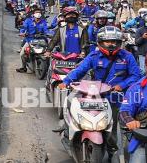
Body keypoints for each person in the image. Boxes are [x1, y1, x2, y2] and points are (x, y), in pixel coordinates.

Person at [59, 26, 142, 158]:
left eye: (115, 41)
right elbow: (80, 70)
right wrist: (67, 81)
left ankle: (115, 152)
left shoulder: (127, 56)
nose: (112, 44)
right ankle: (68, 131)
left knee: (113, 129)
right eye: (108, 41)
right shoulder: (94, 56)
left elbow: (136, 76)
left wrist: (122, 85)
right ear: (100, 42)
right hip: (97, 96)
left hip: (118, 98)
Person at [17, 7, 49, 72]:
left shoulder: (43, 21)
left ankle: (48, 67)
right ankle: (24, 67)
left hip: (41, 41)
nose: (38, 14)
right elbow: (24, 28)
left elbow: (46, 30)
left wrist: (50, 34)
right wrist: (22, 33)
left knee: (48, 53)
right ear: (33, 14)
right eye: (36, 12)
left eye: (39, 12)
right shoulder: (28, 20)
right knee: (22, 54)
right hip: (30, 40)